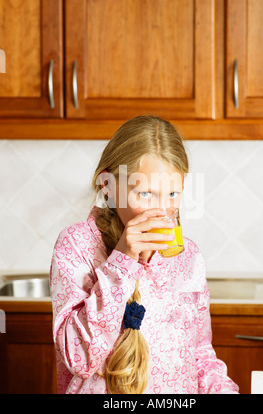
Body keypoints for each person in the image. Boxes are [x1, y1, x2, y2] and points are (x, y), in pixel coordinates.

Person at [50, 115, 239, 394]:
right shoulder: (77, 244)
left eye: (173, 194)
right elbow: (78, 357)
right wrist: (123, 262)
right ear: (109, 187)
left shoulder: (188, 258)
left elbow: (199, 355)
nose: (162, 211)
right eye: (146, 194)